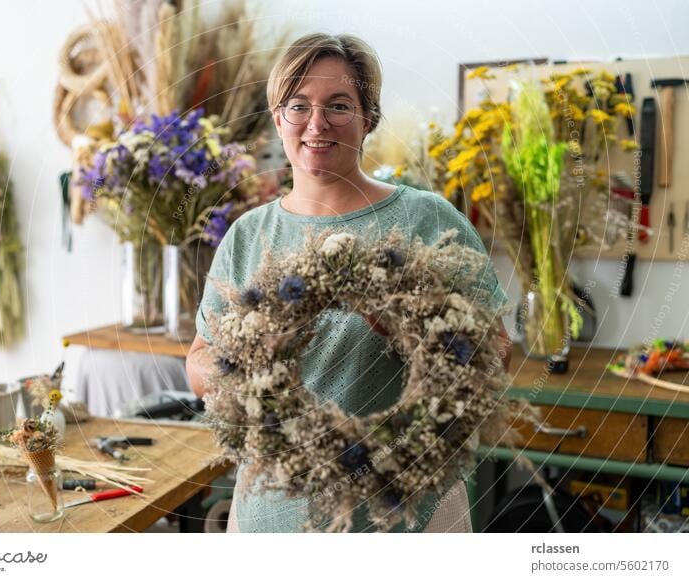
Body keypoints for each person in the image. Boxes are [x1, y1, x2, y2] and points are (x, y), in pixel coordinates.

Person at [186, 32, 511, 532]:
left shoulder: (427, 219)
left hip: (406, 515)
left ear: (368, 118)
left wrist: (407, 329)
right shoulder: (248, 236)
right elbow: (200, 361)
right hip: (276, 517)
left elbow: (496, 348)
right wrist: (254, 354)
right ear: (278, 118)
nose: (317, 123)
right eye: (298, 105)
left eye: (339, 105)